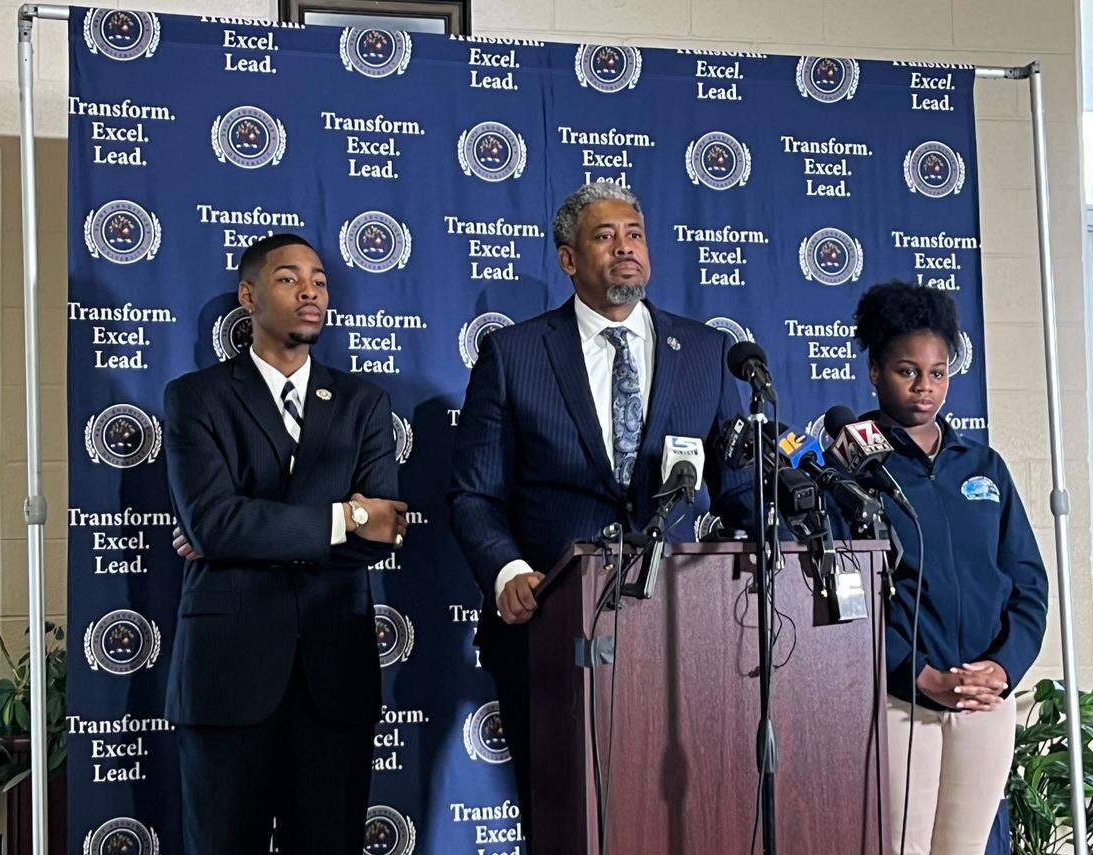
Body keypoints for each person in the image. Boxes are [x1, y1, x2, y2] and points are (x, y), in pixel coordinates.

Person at [447, 183, 752, 834]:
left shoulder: (703, 352)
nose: (625, 248)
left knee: (679, 824)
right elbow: (475, 492)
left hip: (681, 635)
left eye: (635, 234)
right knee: (565, 825)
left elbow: (738, 485)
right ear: (567, 259)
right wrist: (505, 573)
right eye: (605, 235)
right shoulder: (515, 354)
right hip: (550, 630)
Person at [163, 233, 408, 853]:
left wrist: (239, 532)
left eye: (320, 281)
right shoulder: (196, 398)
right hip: (227, 675)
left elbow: (383, 530)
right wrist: (342, 519)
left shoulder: (364, 402)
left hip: (334, 677)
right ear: (248, 295)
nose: (310, 293)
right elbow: (213, 523)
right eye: (289, 278)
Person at [849, 281, 1047, 855]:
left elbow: (1028, 584)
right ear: (875, 371)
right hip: (900, 701)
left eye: (937, 373)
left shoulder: (984, 465)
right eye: (907, 371)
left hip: (985, 699)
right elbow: (846, 600)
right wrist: (916, 674)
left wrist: (1002, 669)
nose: (925, 388)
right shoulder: (852, 468)